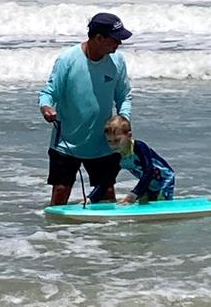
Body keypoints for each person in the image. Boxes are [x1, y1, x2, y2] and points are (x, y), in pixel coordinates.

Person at [39, 12, 133, 205]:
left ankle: (103, 235)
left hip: (103, 143)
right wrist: (46, 107)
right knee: (61, 191)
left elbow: (124, 96)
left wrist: (123, 119)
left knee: (106, 194)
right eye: (115, 39)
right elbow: (48, 93)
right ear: (99, 38)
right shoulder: (68, 59)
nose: (119, 44)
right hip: (67, 142)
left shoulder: (118, 61)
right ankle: (56, 234)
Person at [100, 115, 175, 205]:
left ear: (129, 135)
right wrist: (92, 197)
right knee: (143, 202)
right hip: (148, 182)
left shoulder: (139, 147)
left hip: (164, 180)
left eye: (117, 140)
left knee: (162, 203)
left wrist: (134, 193)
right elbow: (108, 179)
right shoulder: (117, 156)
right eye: (109, 141)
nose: (113, 145)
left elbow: (149, 171)